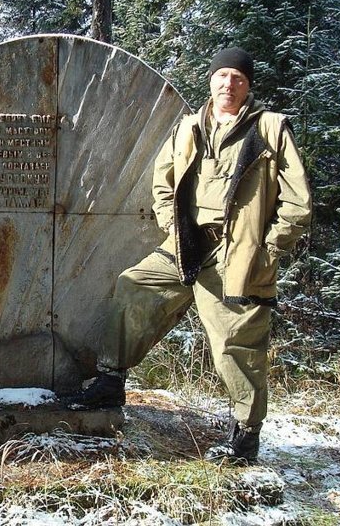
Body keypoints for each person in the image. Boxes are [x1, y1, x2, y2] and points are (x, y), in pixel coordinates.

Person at [69, 47, 312, 463]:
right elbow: (162, 182)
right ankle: (110, 382)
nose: (228, 85)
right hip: (186, 244)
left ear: (248, 85)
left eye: (237, 78)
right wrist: (170, 224)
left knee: (236, 340)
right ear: (211, 80)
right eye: (222, 76)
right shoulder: (189, 128)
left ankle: (245, 438)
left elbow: (299, 201)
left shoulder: (269, 129)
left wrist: (269, 249)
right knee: (134, 288)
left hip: (238, 251)